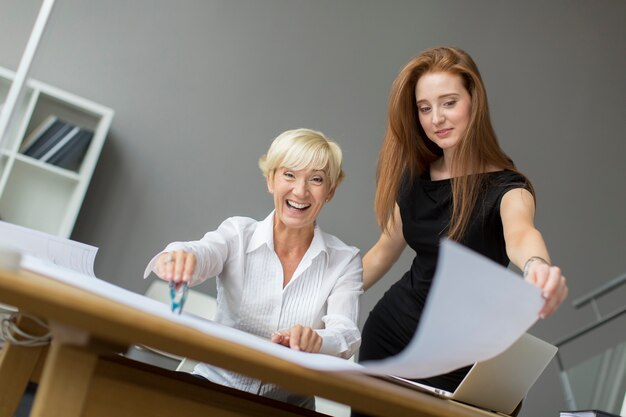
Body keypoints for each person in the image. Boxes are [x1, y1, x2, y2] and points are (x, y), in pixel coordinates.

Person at [353, 47, 568, 417]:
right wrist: (314, 296)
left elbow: (521, 236)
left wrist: (538, 268)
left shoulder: (507, 187)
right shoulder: (414, 180)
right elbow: (380, 254)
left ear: (474, 101)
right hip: (394, 338)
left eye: (449, 102)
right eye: (424, 108)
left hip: (469, 361)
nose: (436, 118)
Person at [144, 128, 363, 410]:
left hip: (288, 407)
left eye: (316, 179)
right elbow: (203, 252)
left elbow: (346, 333)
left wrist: (316, 340)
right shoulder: (238, 233)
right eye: (289, 175)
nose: (300, 190)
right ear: (270, 180)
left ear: (330, 192)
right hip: (213, 391)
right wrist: (179, 257)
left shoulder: (345, 260)